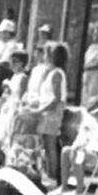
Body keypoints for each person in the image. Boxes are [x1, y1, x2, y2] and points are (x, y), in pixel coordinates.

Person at [27, 42, 69, 182]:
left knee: (50, 145)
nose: (44, 56)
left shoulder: (57, 73)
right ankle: (45, 174)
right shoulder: (49, 72)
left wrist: (40, 110)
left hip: (52, 114)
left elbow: (56, 99)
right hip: (46, 112)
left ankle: (52, 178)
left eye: (46, 53)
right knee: (44, 145)